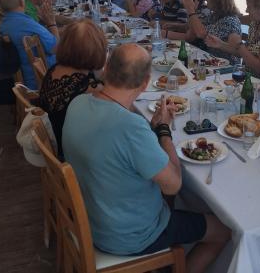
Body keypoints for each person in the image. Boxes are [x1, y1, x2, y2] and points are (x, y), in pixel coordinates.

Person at [63, 44, 231, 273]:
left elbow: (119, 146)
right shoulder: (130, 127)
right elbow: (173, 185)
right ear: (145, 83)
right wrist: (164, 130)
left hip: (92, 218)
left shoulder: (78, 102)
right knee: (224, 230)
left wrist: (152, 130)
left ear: (106, 69)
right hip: (129, 235)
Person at [39, 20, 105, 160]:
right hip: (73, 153)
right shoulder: (89, 88)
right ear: (97, 51)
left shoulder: (54, 69)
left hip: (56, 135)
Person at [0, 0, 58, 90]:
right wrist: (52, 24)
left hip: (24, 77)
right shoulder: (27, 24)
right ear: (21, 1)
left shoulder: (4, 24)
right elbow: (55, 48)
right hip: (43, 77)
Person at [164, 0, 242, 63]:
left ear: (218, 1)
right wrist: (176, 25)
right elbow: (194, 28)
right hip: (211, 59)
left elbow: (200, 34)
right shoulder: (214, 16)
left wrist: (191, 10)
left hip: (226, 64)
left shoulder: (230, 21)